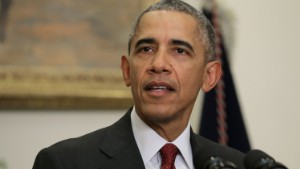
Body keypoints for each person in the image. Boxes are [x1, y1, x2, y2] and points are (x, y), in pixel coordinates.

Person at [32, 0, 245, 169]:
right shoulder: (64, 163)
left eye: (179, 50)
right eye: (146, 49)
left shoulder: (237, 165)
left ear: (209, 76)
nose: (159, 64)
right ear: (127, 71)